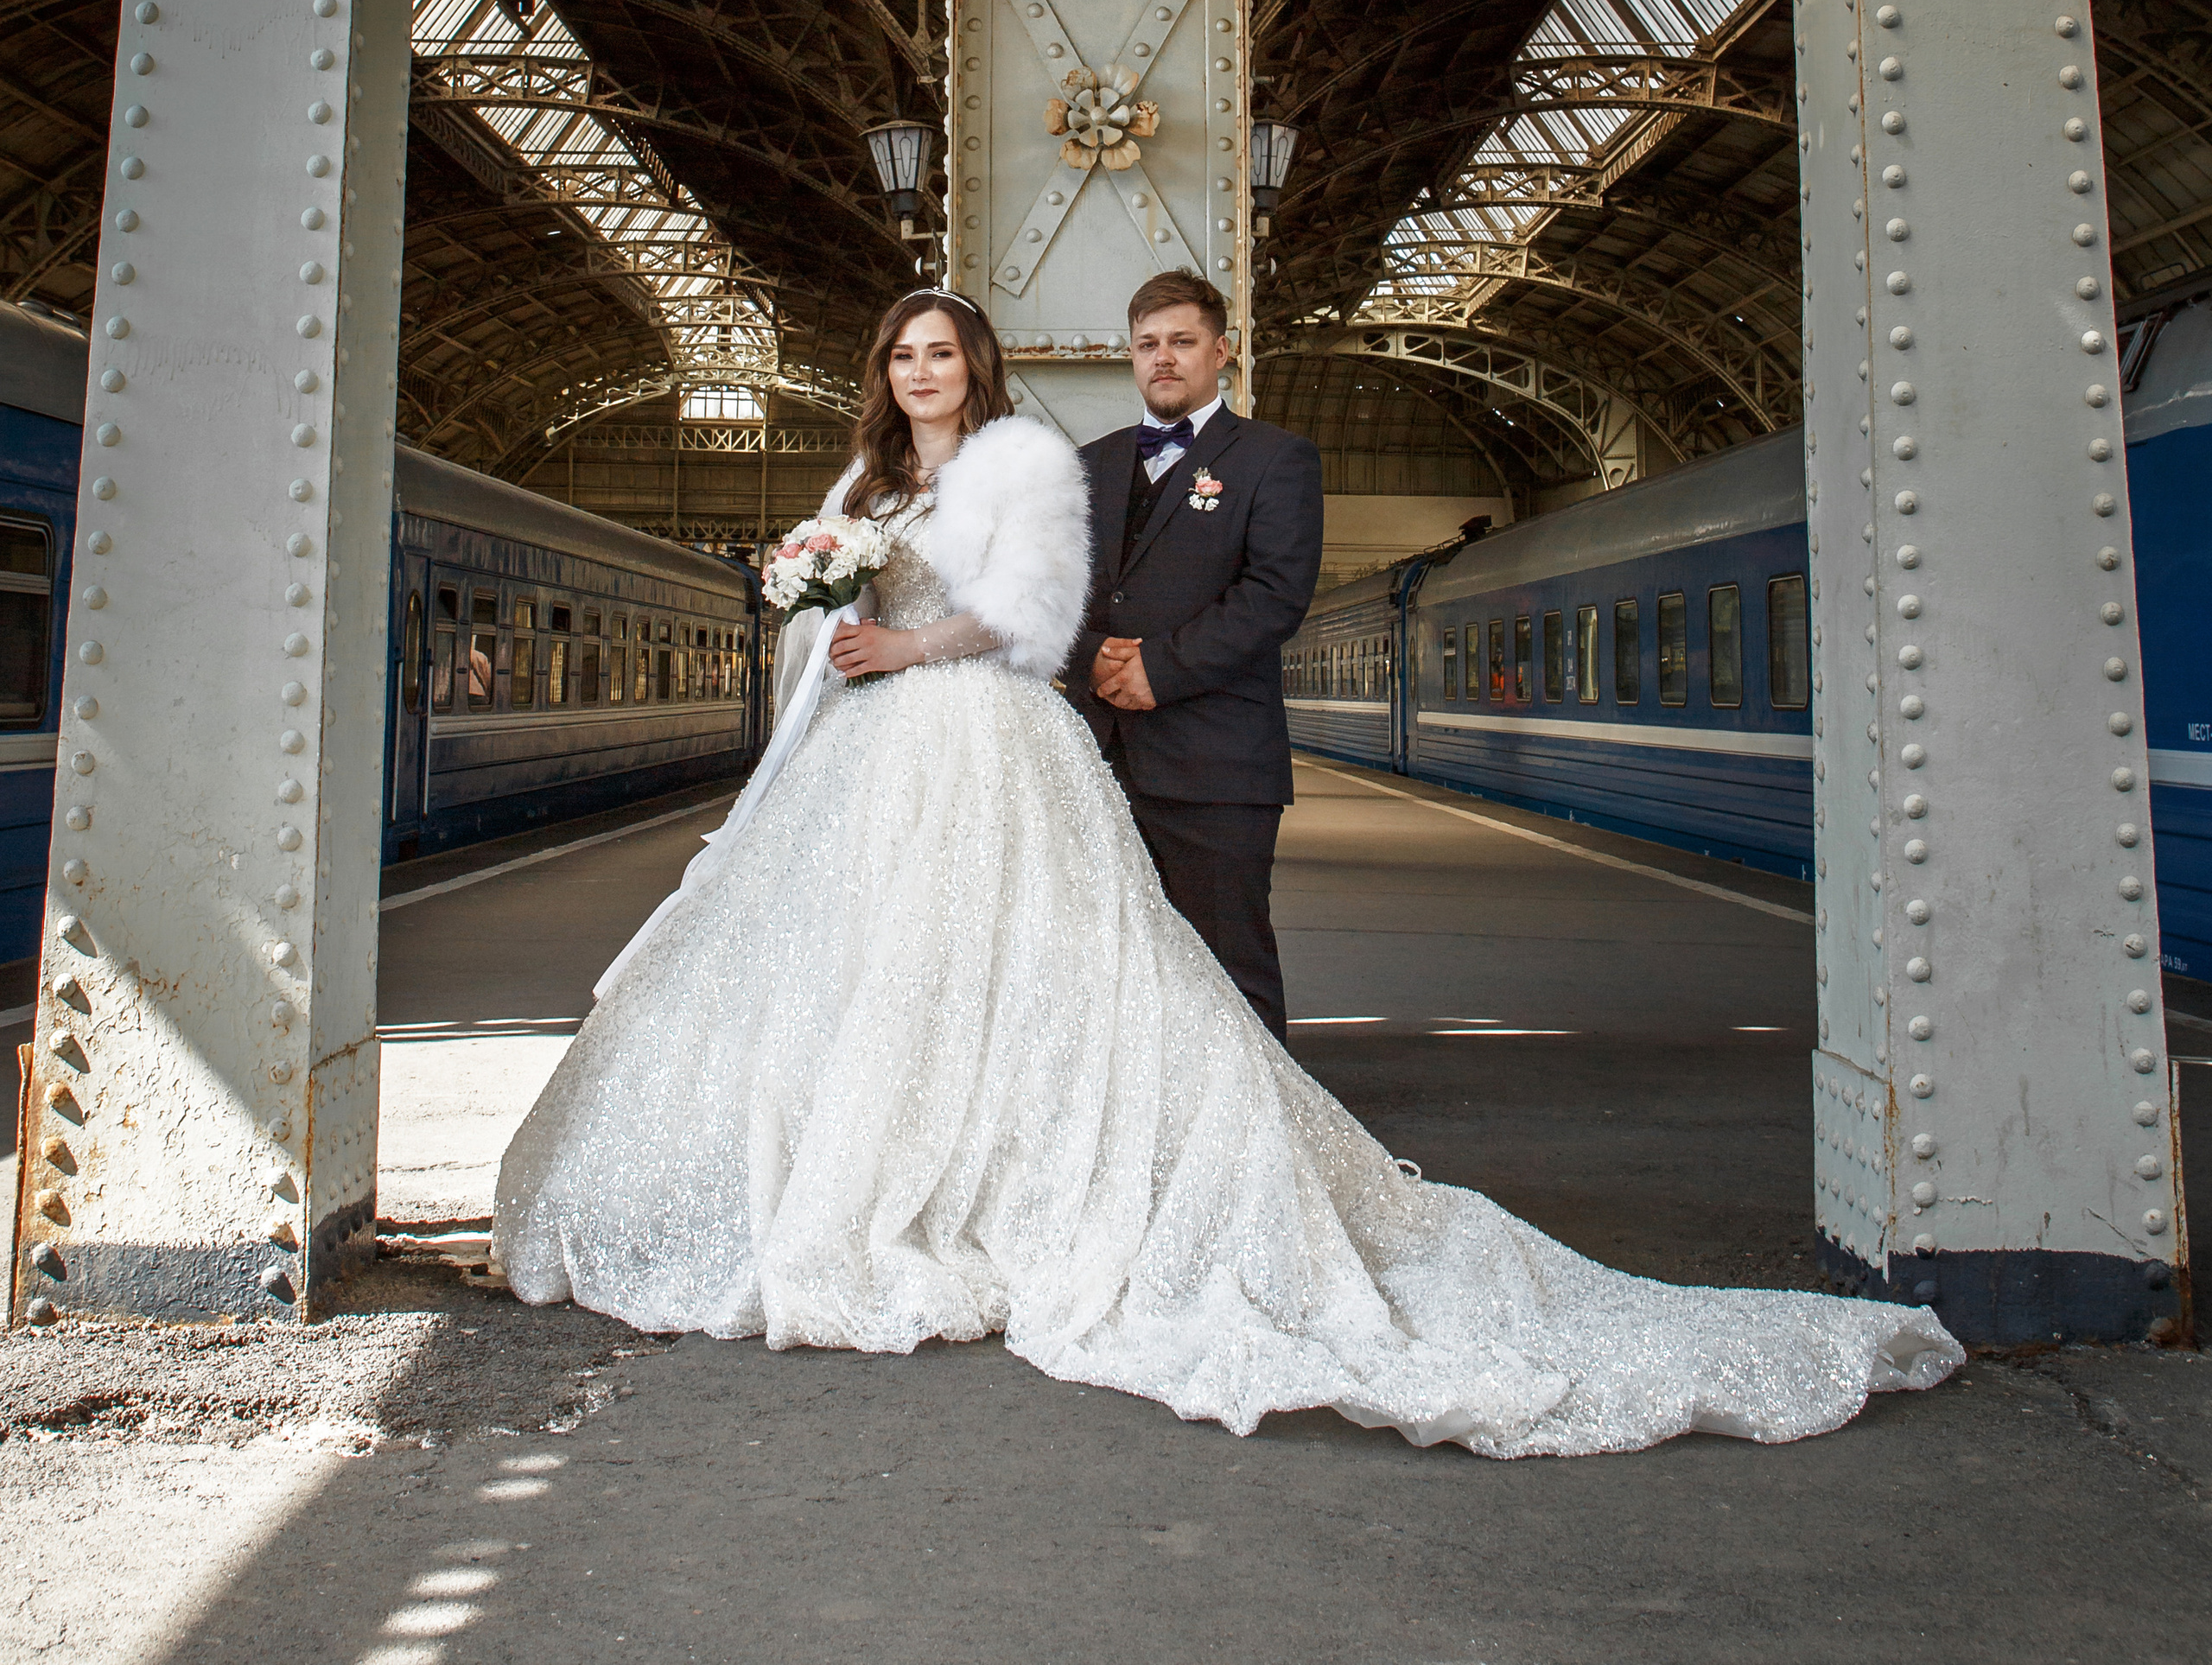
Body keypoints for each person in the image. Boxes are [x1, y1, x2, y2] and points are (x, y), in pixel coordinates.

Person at [493, 287, 1961, 1456]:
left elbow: (1031, 612)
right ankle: (885, 1184)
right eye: (903, 351)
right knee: (882, 976)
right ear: (883, 372)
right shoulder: (868, 475)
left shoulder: (1020, 466)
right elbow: (843, 599)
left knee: (1062, 971)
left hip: (984, 737)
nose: (922, 367)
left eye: (941, 348)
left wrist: (897, 636)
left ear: (975, 363)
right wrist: (810, 588)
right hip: (878, 753)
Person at [1065, 270, 1321, 1041]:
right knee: (1104, 967)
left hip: (1218, 768)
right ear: (1132, 358)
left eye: (1182, 341)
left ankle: (1260, 1148)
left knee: (1227, 964)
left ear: (1223, 351)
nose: (1163, 358)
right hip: (1095, 760)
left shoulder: (1278, 459)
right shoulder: (1089, 464)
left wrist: (1159, 670)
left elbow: (1274, 594)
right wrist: (1090, 656)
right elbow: (1050, 591)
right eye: (1148, 344)